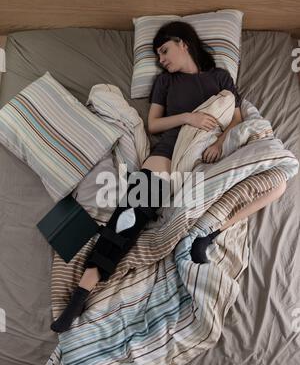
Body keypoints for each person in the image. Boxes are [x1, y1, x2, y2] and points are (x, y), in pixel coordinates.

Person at [51, 21, 287, 333]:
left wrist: (218, 143)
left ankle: (212, 234)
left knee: (277, 182)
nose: (162, 59)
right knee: (128, 214)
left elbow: (236, 118)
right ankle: (82, 292)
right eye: (158, 55)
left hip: (206, 157)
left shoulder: (219, 77)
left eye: (164, 50)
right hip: (167, 153)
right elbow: (153, 124)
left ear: (183, 42)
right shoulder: (165, 82)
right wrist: (188, 117)